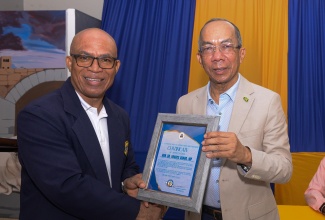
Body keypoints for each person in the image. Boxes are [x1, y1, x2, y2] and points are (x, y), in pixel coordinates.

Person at [17, 28, 164, 220]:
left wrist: (128, 181)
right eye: (85, 58)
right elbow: (67, 186)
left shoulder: (120, 116)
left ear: (116, 66)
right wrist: (137, 212)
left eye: (105, 60)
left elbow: (126, 166)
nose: (95, 68)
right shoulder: (39, 116)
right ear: (70, 63)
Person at [176, 18, 292, 220]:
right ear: (199, 58)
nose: (217, 57)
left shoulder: (268, 101)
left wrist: (245, 155)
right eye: (208, 48)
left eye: (226, 46)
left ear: (242, 54)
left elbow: (284, 170)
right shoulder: (185, 103)